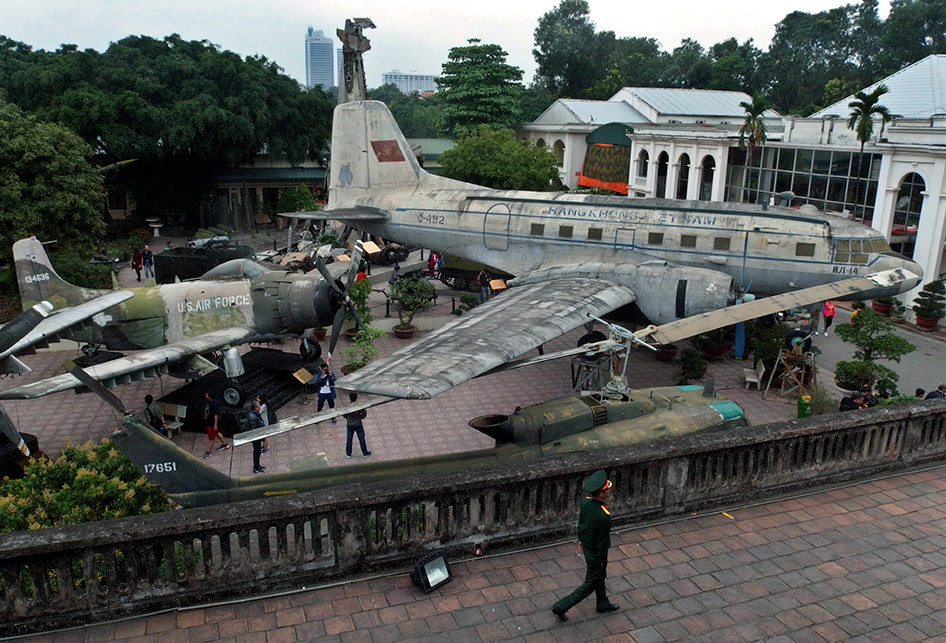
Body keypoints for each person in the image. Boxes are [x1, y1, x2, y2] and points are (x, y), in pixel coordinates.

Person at [551, 470, 619, 621]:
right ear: (601, 494)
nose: (609, 490)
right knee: (589, 584)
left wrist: (581, 540)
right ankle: (560, 606)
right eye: (607, 489)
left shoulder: (586, 503)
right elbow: (601, 542)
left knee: (599, 578)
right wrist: (602, 559)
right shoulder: (604, 516)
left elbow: (583, 525)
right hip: (596, 554)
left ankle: (603, 602)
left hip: (587, 547)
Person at [343, 392, 371, 458]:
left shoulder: (347, 406)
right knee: (361, 438)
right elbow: (364, 414)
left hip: (349, 424)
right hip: (358, 424)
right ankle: (364, 452)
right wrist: (360, 417)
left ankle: (348, 453)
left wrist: (348, 418)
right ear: (356, 398)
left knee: (349, 439)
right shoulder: (359, 406)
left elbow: (344, 414)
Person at [203, 391, 229, 458]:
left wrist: (215, 424)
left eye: (207, 394)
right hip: (209, 421)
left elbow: (215, 415)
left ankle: (208, 451)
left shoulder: (214, 404)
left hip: (211, 423)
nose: (205, 395)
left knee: (211, 438)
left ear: (209, 397)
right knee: (216, 433)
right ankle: (224, 443)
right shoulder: (210, 402)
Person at [246, 400, 266, 474]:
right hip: (256, 438)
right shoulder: (253, 417)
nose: (260, 407)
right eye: (259, 406)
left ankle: (258, 465)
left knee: (258, 452)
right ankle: (256, 468)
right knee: (256, 452)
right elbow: (254, 430)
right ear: (256, 407)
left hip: (258, 437)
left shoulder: (255, 414)